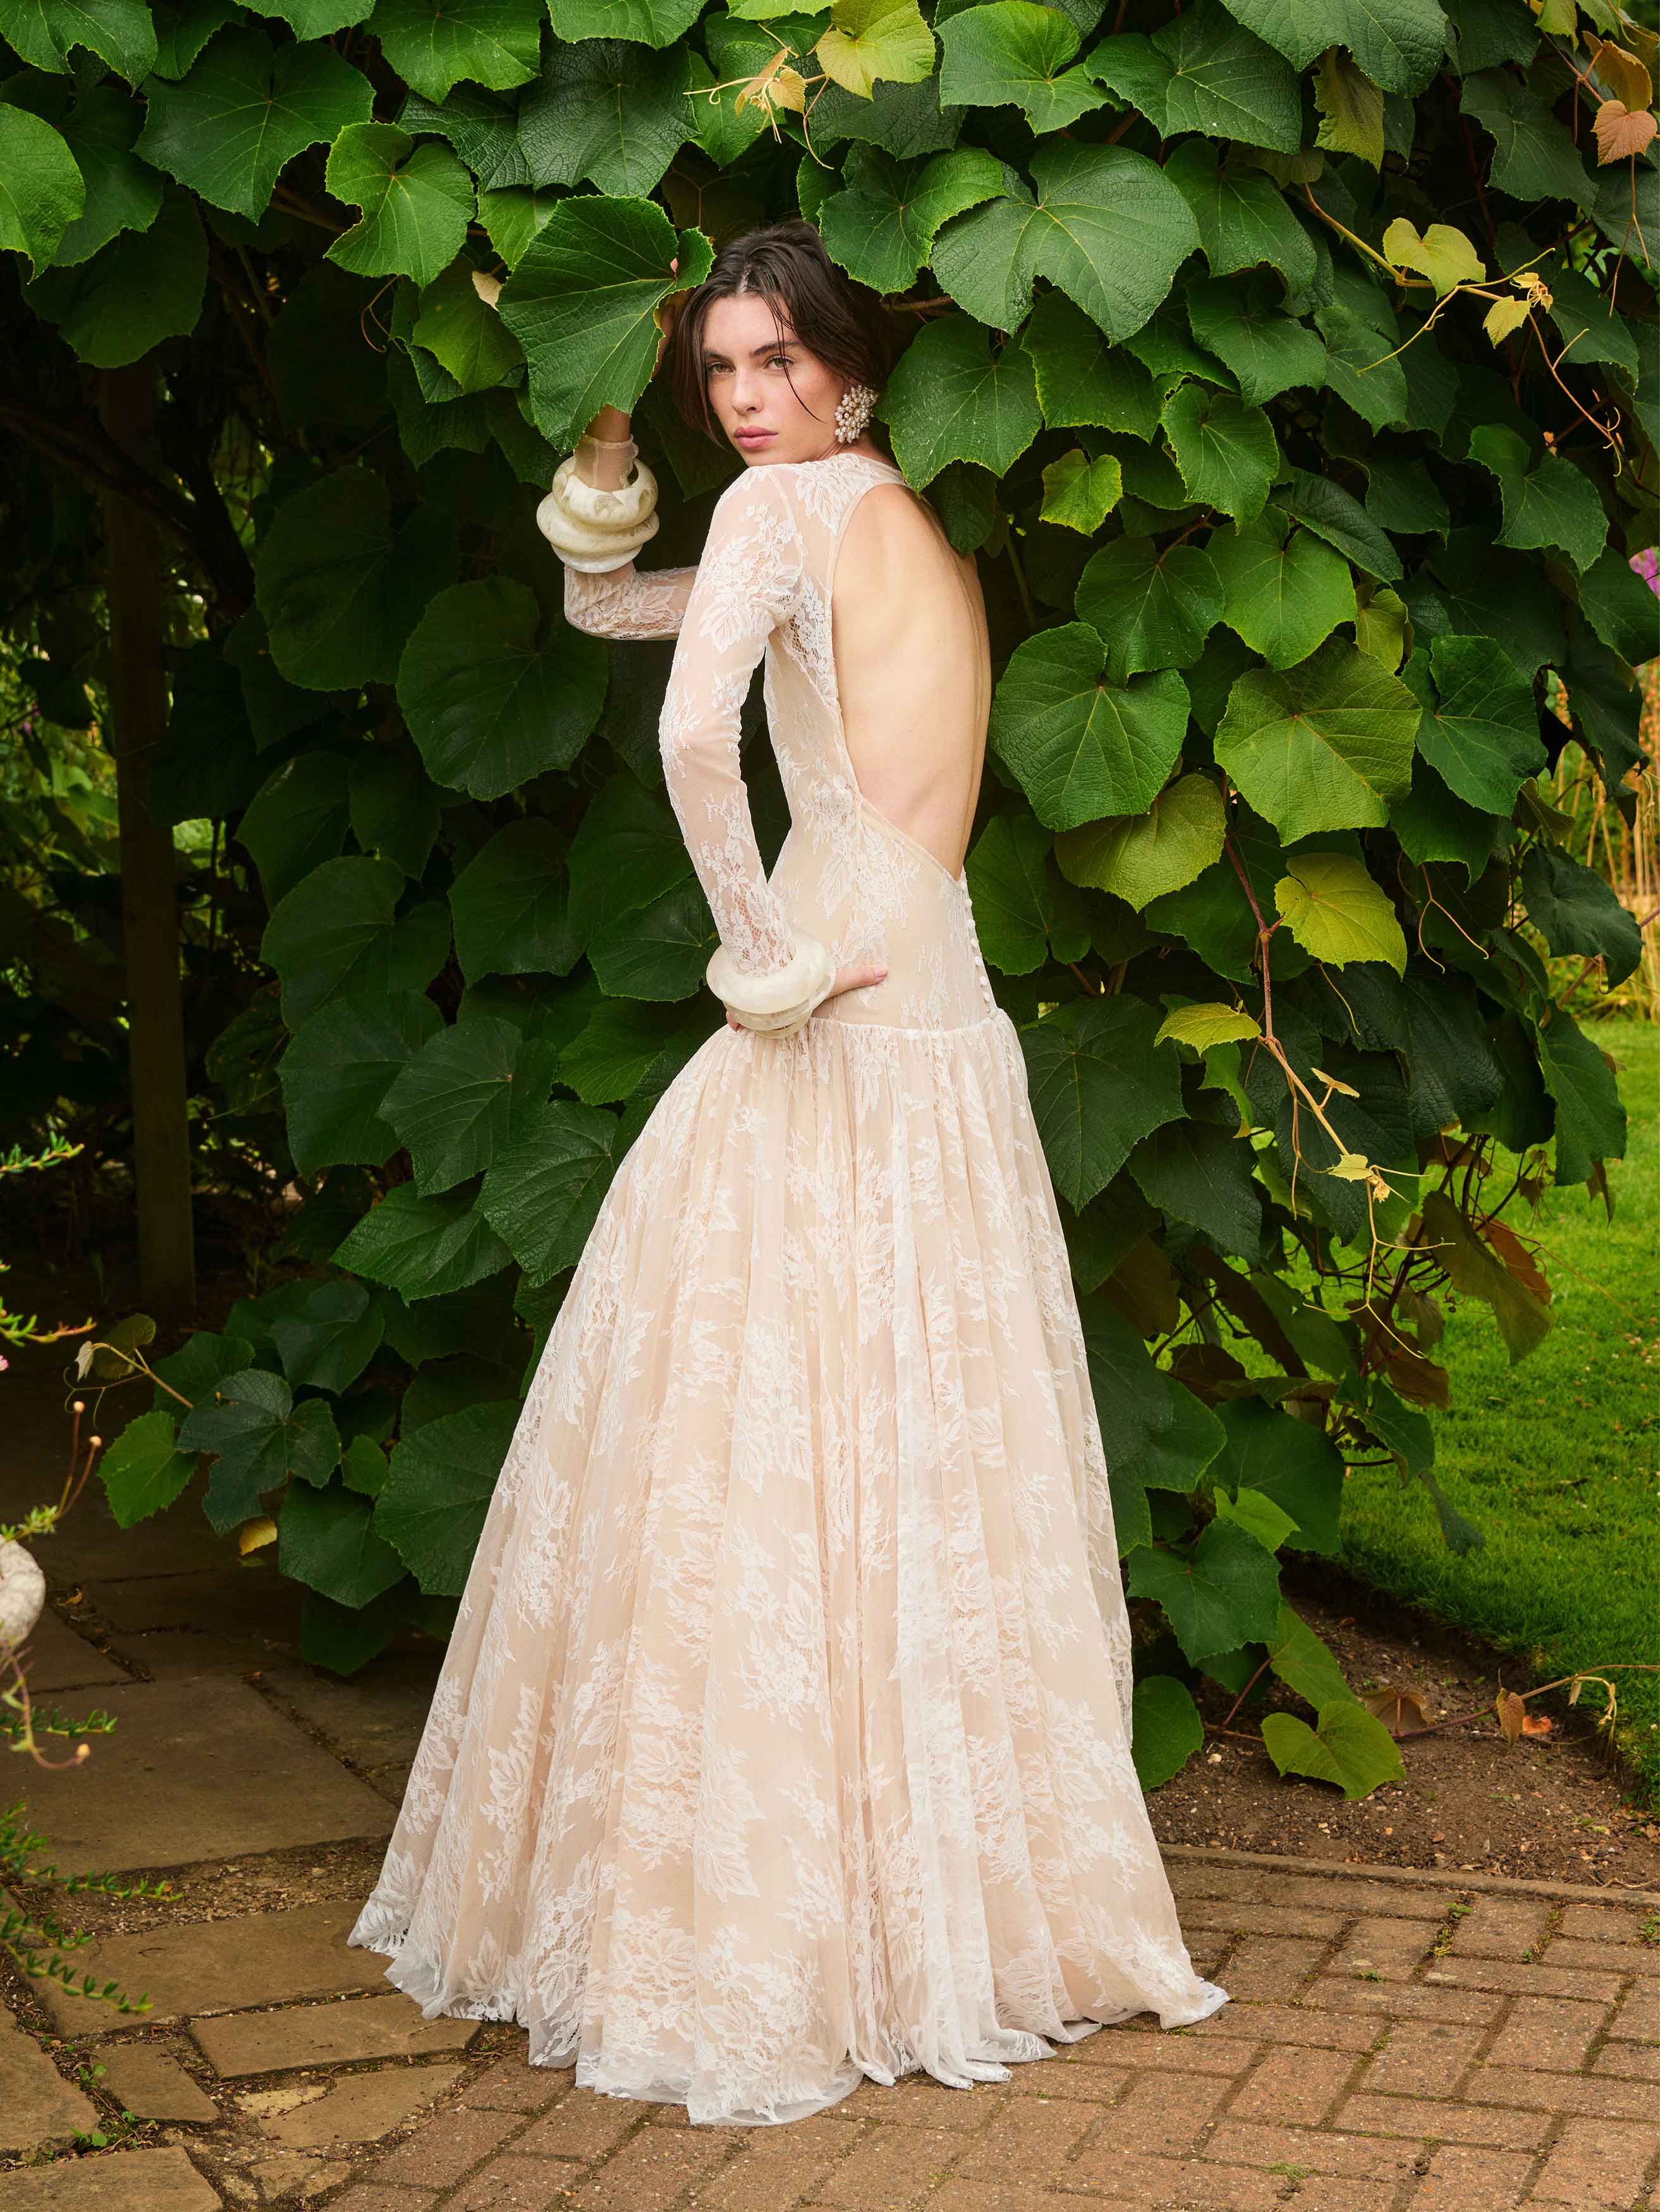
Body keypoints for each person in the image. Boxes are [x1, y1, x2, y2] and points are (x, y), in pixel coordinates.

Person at [348, 219, 1229, 2128]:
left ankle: (784, 1909)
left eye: (774, 361)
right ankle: (941, 1904)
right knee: (918, 1407)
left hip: (832, 967)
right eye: (719, 372)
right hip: (942, 976)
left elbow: (687, 735)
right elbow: (621, 614)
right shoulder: (881, 517)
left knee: (749, 1404)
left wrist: (752, 952)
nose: (745, 398)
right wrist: (602, 481)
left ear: (847, 360)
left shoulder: (780, 518)